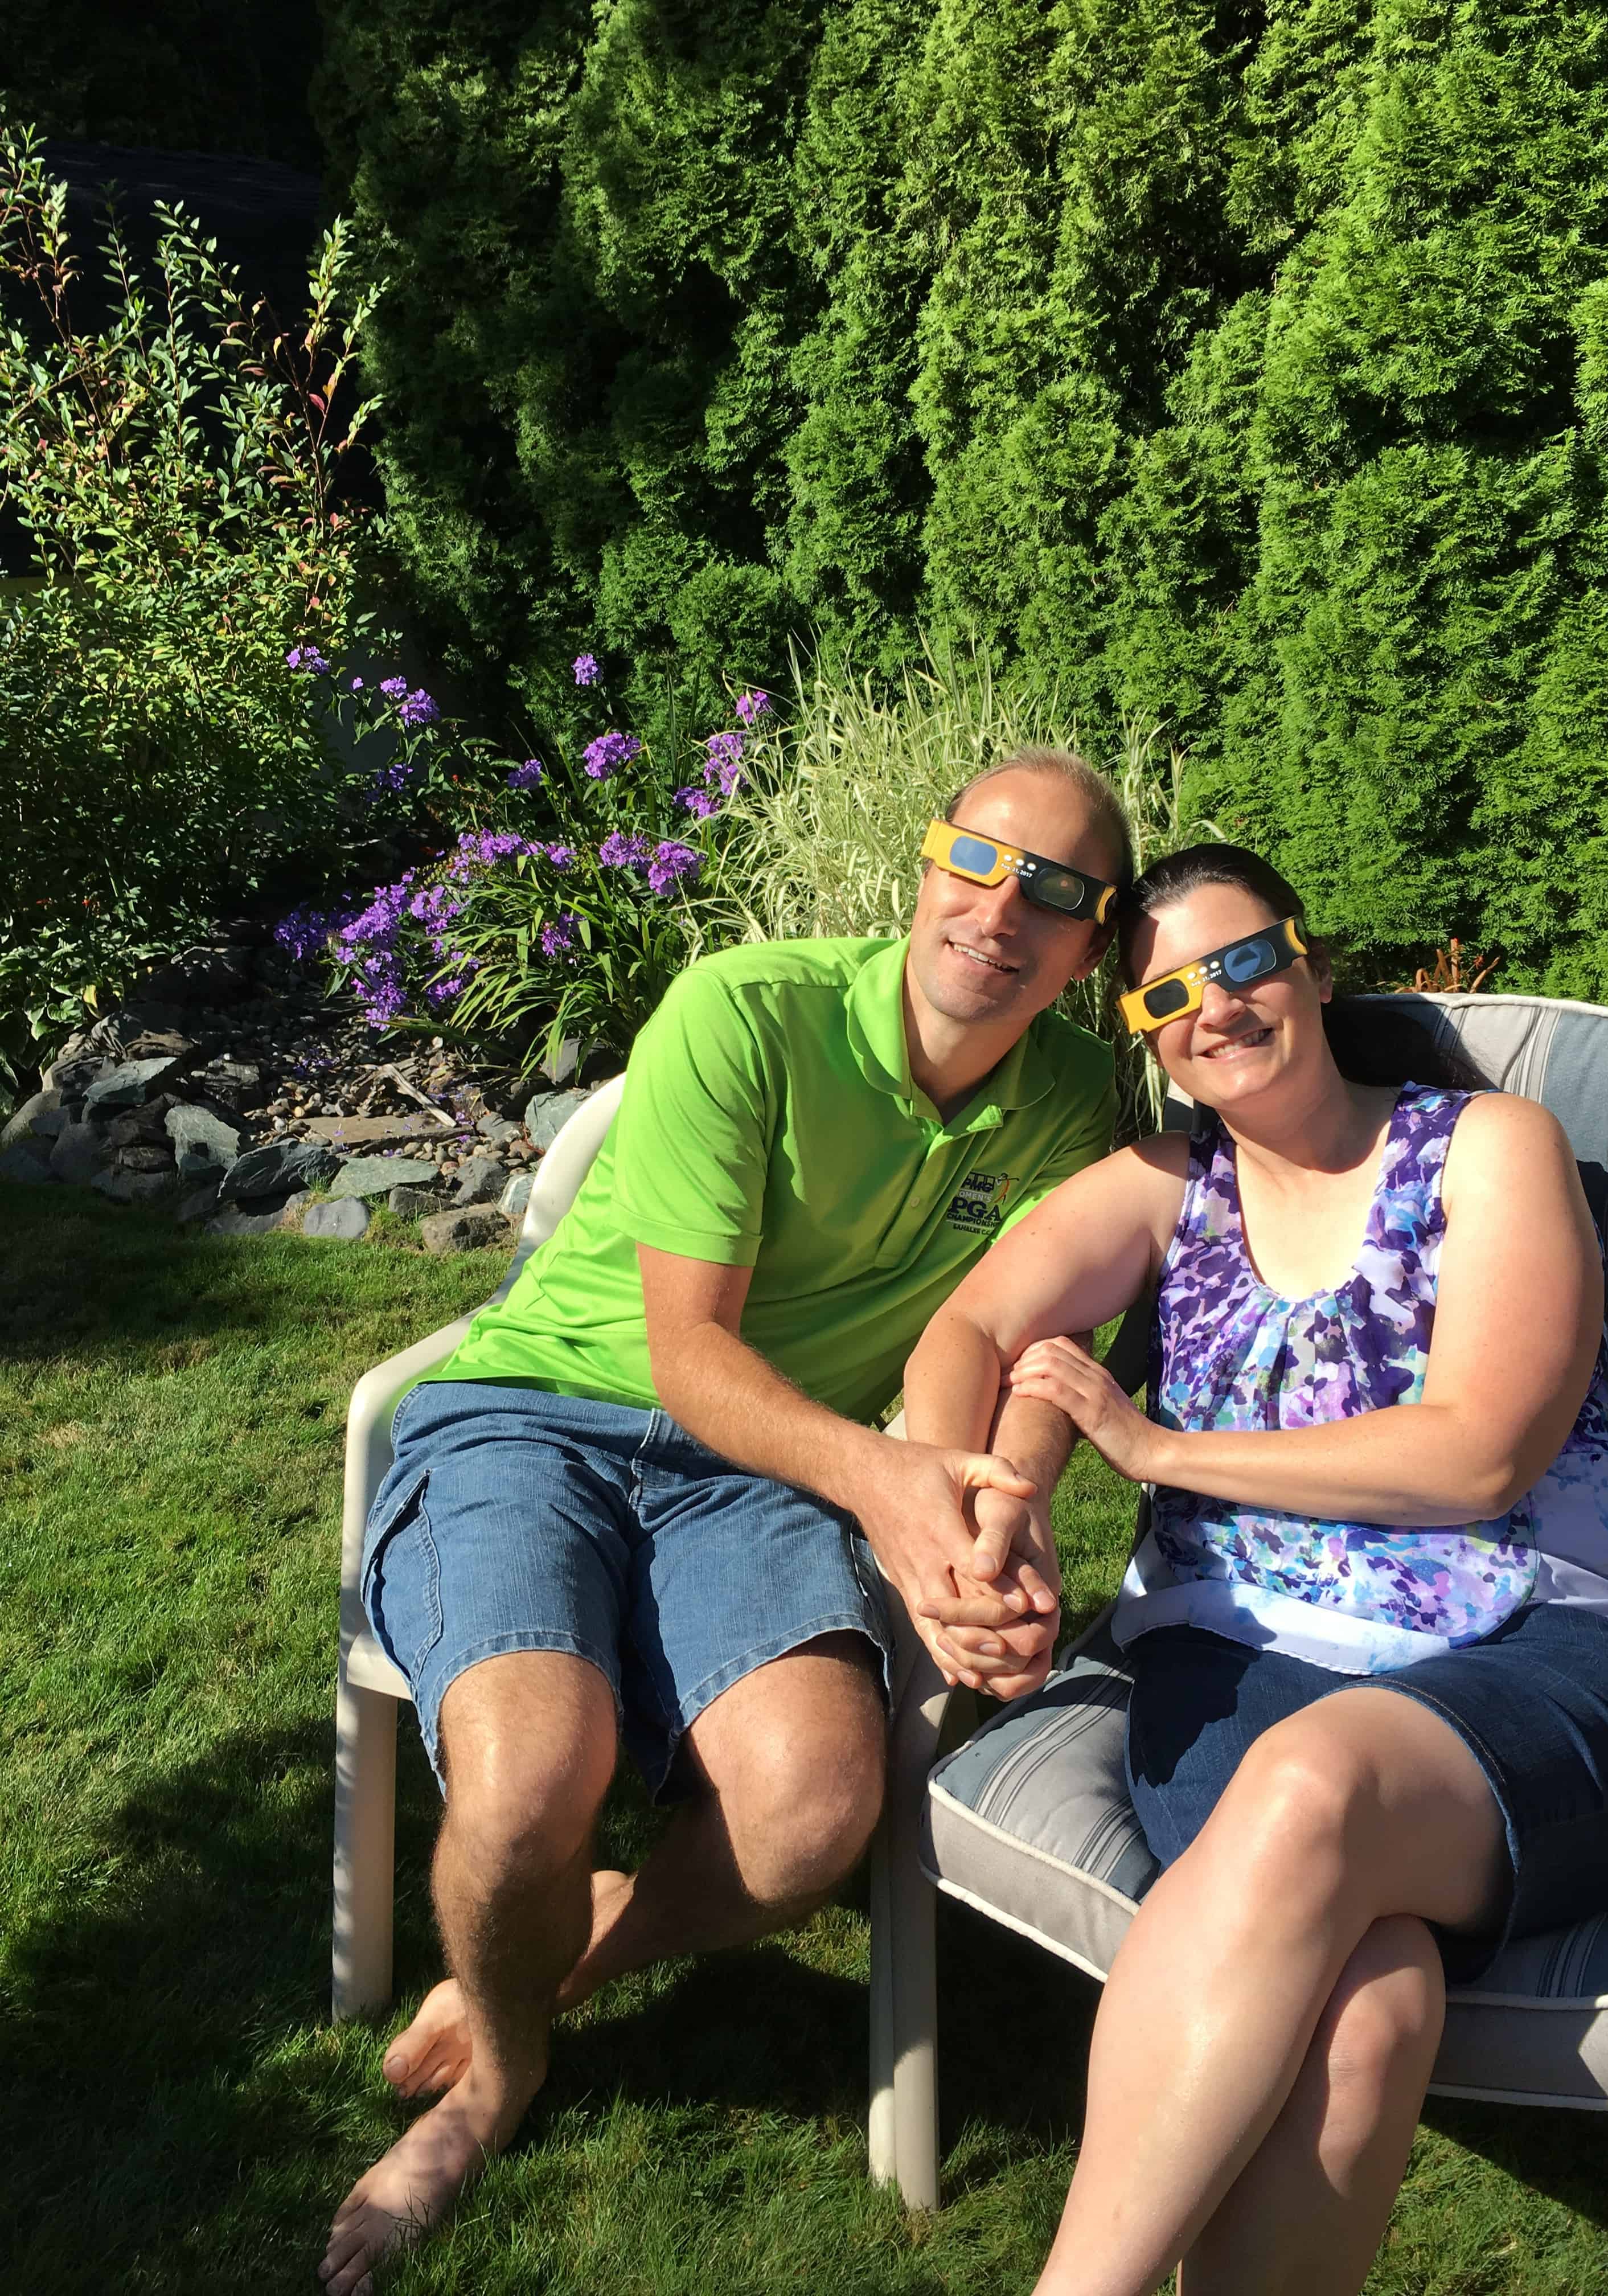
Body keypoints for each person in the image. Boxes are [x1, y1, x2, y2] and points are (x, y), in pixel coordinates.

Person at [319, 749, 1131, 2296]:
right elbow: (689, 1354)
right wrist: (892, 1485)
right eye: (975, 857)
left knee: (817, 1810)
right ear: (925, 858)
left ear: (1092, 945)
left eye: (1056, 892)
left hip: (755, 1473)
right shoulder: (747, 1011)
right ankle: (500, 2081)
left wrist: (989, 1513)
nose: (999, 909)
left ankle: (561, 1966)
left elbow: (1040, 1340)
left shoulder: (1077, 1103)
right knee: (527, 1784)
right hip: (535, 1417)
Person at [905, 843, 1608, 2296]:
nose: (1213, 1008)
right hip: (1235, 1659)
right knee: (1368, 2008)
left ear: (1311, 964)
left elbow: (1479, 1456)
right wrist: (990, 1505)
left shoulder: (1486, 1148)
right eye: (1168, 993)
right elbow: (974, 1330)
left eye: (1242, 962)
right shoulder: (1165, 1182)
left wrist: (1155, 1453)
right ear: (1147, 1035)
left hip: (1552, 1657)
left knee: (1314, 1783)